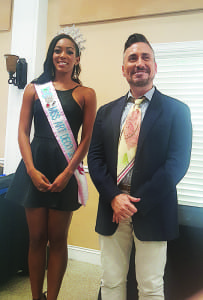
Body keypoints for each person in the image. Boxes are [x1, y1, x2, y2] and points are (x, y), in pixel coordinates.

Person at [87, 33, 192, 300]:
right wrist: (114, 197)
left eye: (146, 57)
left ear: (155, 67)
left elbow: (176, 165)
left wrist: (135, 203)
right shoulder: (105, 112)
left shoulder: (177, 111)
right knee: (110, 282)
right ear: (123, 69)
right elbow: (95, 161)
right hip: (112, 208)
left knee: (150, 286)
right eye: (132, 58)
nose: (139, 63)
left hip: (153, 208)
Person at [6, 28, 96, 300]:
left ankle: (52, 297)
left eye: (70, 51)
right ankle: (36, 297)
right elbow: (22, 131)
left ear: (77, 59)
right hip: (34, 168)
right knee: (35, 238)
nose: (63, 55)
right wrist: (31, 170)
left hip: (64, 172)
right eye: (58, 50)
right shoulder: (34, 89)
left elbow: (87, 138)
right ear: (51, 55)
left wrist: (69, 173)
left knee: (57, 240)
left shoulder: (86, 94)